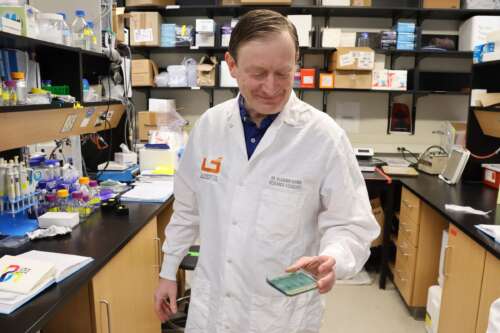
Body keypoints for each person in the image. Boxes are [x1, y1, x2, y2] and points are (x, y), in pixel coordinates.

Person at [154, 9, 380, 333]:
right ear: (231, 65)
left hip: (282, 315)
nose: (272, 87)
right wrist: (168, 271)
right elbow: (188, 210)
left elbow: (352, 224)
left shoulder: (323, 136)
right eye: (258, 73)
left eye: (283, 73)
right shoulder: (210, 127)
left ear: (296, 65)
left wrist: (334, 257)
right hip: (213, 306)